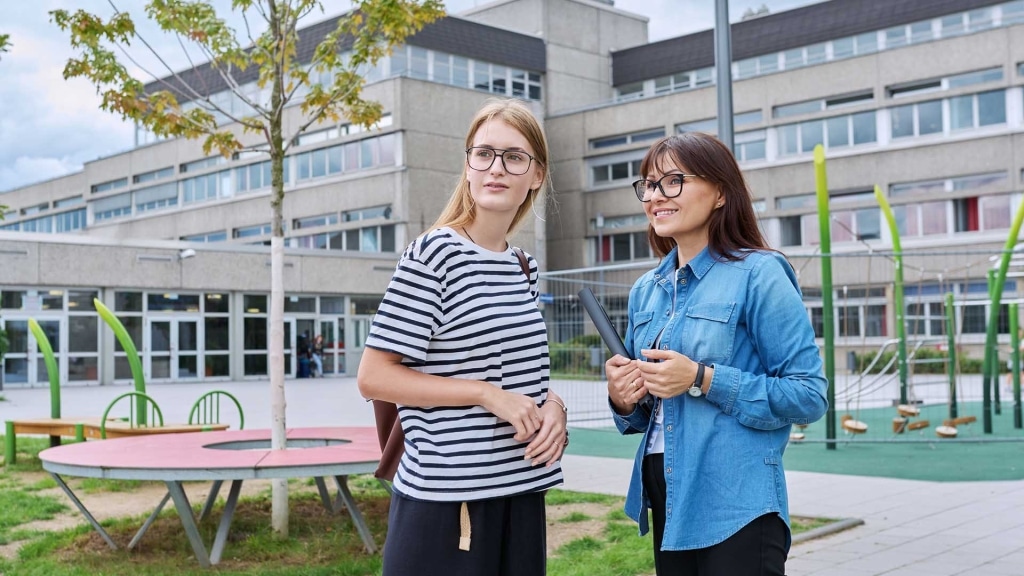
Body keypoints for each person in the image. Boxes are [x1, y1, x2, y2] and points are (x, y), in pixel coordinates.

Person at [357, 98, 568, 576]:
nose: (497, 168)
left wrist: (555, 409)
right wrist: (485, 396)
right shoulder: (434, 254)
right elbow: (374, 377)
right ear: (468, 165)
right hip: (450, 502)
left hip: (521, 492)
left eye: (514, 157)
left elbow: (512, 372)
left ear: (536, 175)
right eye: (484, 154)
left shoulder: (522, 267)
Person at [605, 132, 828, 576]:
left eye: (673, 181)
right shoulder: (645, 291)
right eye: (649, 184)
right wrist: (623, 397)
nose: (655, 196)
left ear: (721, 192)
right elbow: (642, 414)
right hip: (665, 490)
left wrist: (703, 378)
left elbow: (808, 394)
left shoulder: (759, 273)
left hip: (736, 498)